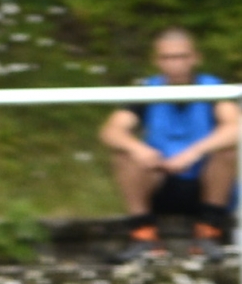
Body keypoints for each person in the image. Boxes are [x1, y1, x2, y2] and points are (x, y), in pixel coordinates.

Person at [99, 27, 238, 259]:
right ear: (157, 61)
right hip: (161, 180)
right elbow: (111, 131)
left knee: (227, 151)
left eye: (181, 57)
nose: (175, 64)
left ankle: (208, 232)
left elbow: (236, 127)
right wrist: (138, 148)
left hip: (205, 183)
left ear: (195, 58)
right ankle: (143, 234)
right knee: (123, 154)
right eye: (167, 58)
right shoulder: (147, 91)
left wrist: (193, 152)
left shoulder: (214, 89)